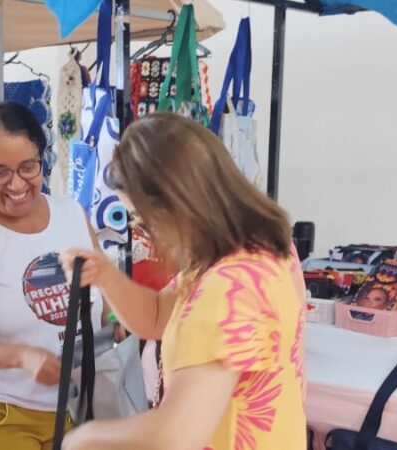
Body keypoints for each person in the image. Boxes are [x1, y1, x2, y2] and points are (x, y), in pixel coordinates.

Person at [59, 112, 307, 450]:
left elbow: (176, 434)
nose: (145, 237)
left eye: (141, 222)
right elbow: (157, 317)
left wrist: (85, 439)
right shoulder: (256, 250)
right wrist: (104, 274)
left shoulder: (231, 287)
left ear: (179, 205)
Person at [0, 102, 106, 450]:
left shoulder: (71, 213)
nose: (17, 184)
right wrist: (20, 356)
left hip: (73, 410)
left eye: (29, 166)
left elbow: (104, 289)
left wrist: (116, 322)